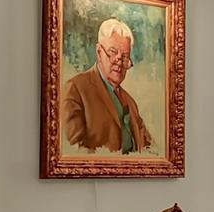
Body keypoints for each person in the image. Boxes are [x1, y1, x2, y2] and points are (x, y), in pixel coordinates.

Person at [62, 18, 153, 154]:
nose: (119, 62)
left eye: (125, 57)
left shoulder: (130, 102)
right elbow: (71, 151)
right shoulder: (75, 89)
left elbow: (150, 150)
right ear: (99, 52)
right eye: (112, 52)